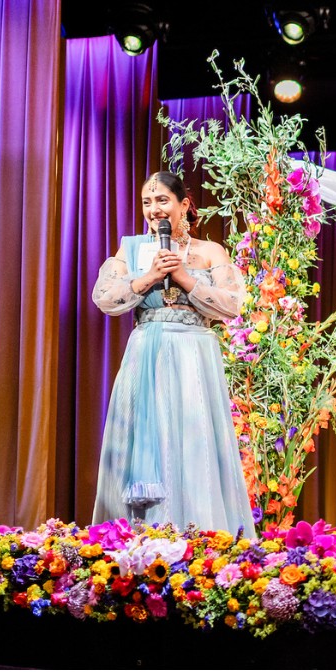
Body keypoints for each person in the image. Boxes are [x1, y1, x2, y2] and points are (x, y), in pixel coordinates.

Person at [91, 171, 255, 538]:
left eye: (162, 200)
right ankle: (140, 541)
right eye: (147, 202)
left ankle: (201, 540)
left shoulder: (210, 252)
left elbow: (231, 306)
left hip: (194, 357)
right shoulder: (130, 250)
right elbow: (105, 298)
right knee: (147, 444)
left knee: (193, 444)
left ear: (184, 205)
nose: (154, 210)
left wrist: (184, 276)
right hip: (146, 353)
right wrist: (148, 276)